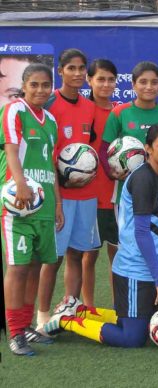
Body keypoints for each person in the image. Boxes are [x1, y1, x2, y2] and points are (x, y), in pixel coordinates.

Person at [43, 124, 158, 348]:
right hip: (135, 269)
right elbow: (142, 233)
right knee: (133, 338)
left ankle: (80, 310)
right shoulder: (144, 178)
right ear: (148, 149)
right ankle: (68, 320)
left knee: (141, 323)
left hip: (150, 267)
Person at [1, 63, 62, 355]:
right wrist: (20, 183)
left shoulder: (50, 119)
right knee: (17, 267)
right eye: (34, 84)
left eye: (45, 85)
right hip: (19, 205)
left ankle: (27, 327)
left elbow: (51, 164)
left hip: (45, 205)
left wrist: (58, 204)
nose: (40, 90)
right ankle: (14, 332)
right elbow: (11, 149)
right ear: (24, 86)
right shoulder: (15, 110)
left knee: (36, 265)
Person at [36, 49, 97, 331]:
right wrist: (59, 191)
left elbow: (90, 152)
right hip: (58, 195)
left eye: (81, 68)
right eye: (71, 68)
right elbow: (46, 155)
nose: (77, 73)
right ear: (60, 71)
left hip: (86, 194)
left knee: (76, 253)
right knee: (53, 257)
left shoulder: (89, 106)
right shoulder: (49, 104)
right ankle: (42, 315)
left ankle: (69, 305)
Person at [100, 61, 158, 202]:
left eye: (154, 82)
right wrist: (112, 172)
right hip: (128, 189)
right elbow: (103, 149)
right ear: (133, 85)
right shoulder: (119, 113)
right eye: (143, 82)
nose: (149, 87)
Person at [81, 58, 119, 309]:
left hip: (116, 196)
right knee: (88, 255)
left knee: (117, 256)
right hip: (88, 197)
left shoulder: (120, 111)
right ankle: (88, 306)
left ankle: (120, 307)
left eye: (110, 79)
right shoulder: (82, 109)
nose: (106, 84)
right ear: (89, 80)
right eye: (100, 79)